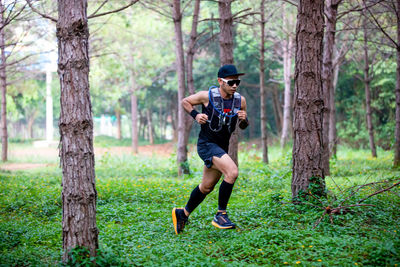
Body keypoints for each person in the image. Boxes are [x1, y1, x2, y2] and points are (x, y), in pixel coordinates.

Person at [172, 64, 249, 235]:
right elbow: (185, 101)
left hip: (222, 147)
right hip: (206, 145)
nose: (235, 85)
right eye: (231, 82)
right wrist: (196, 115)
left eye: (237, 82)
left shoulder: (240, 100)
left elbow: (243, 125)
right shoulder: (207, 96)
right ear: (220, 81)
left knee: (206, 187)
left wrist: (244, 119)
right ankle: (221, 214)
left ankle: (182, 214)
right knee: (232, 172)